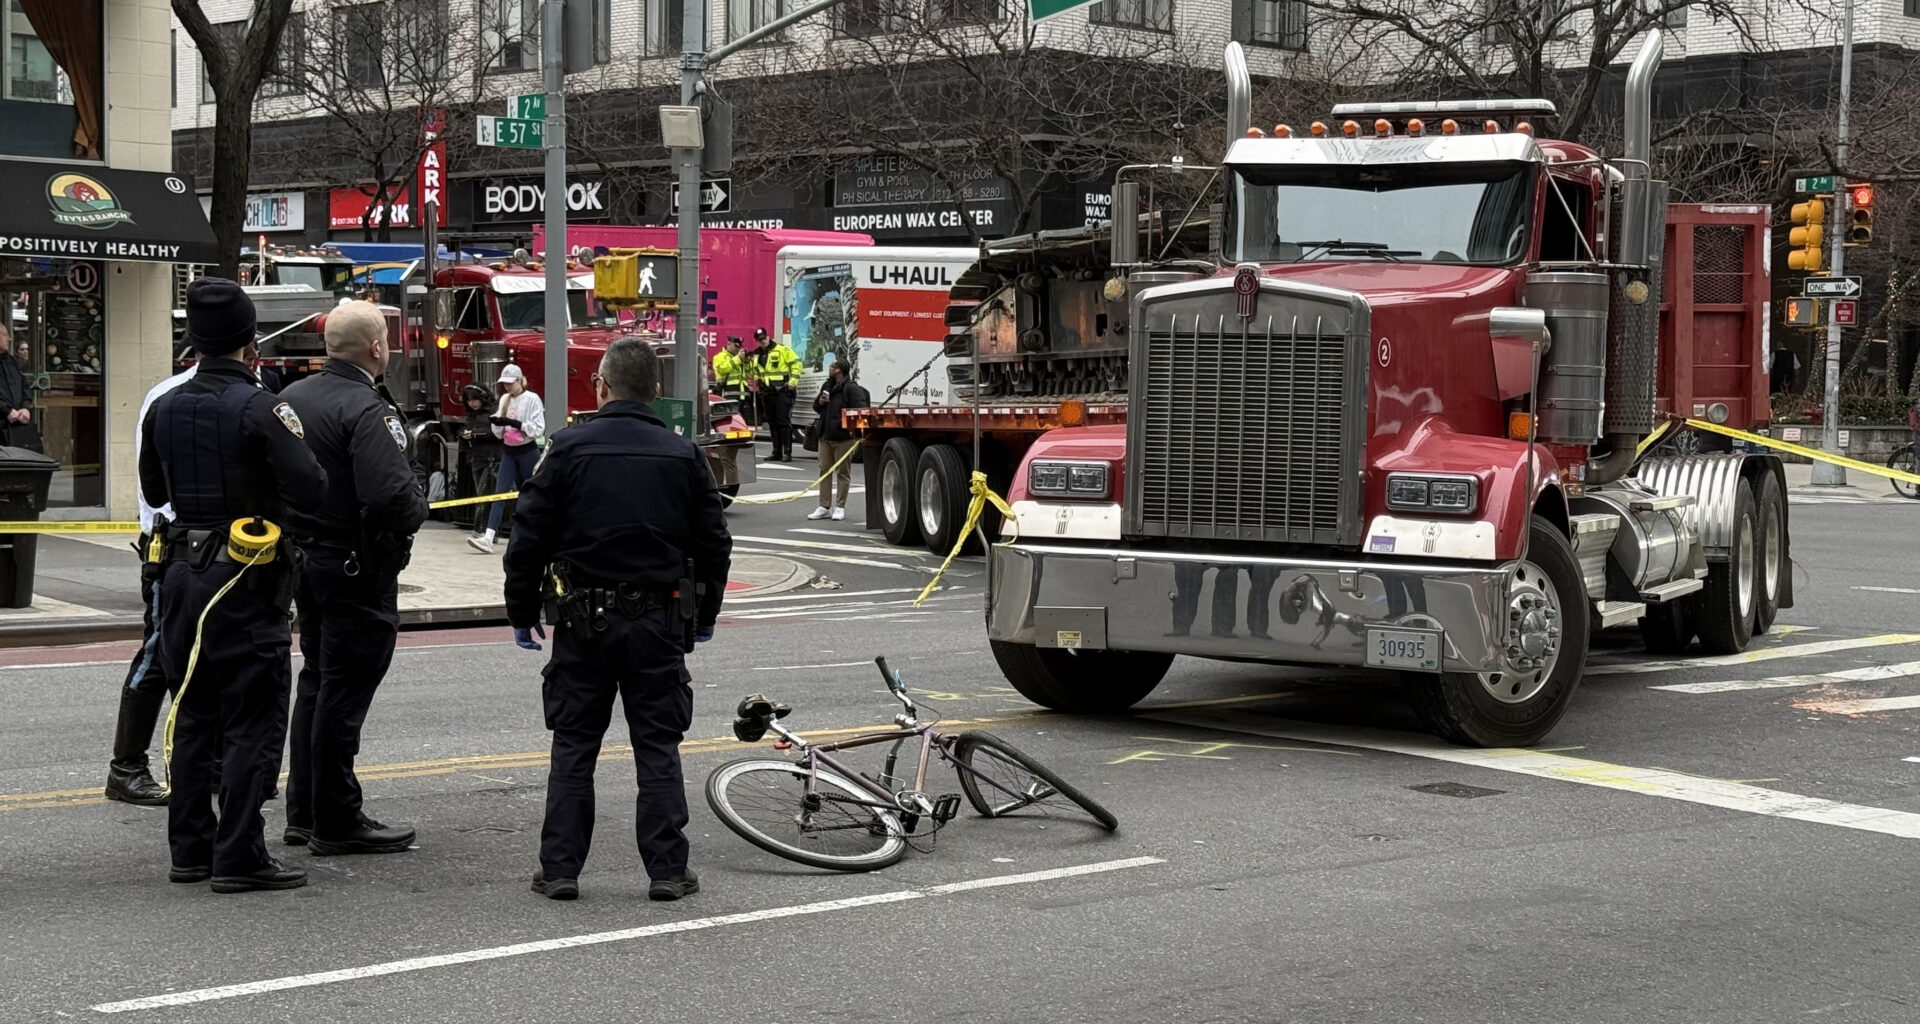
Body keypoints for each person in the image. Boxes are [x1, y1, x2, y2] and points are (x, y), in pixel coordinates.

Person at [504, 337, 731, 902]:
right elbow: (714, 543)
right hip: (659, 620)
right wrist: (705, 613)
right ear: (655, 392)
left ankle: (560, 870)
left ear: (601, 386)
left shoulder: (567, 449)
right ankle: (667, 871)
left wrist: (521, 610)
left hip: (584, 621)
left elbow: (527, 536)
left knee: (575, 745)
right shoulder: (682, 454)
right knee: (657, 746)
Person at [140, 277, 326, 893]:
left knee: (193, 710)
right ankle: (240, 852)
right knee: (253, 716)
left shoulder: (165, 406)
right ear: (251, 341)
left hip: (181, 575)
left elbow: (156, 493)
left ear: (194, 341)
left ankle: (190, 847)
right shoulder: (262, 406)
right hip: (245, 576)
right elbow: (311, 485)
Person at [279, 302, 429, 856]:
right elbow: (390, 495)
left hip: (304, 561)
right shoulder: (368, 408)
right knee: (343, 688)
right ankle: (336, 817)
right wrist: (420, 502)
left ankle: (306, 810)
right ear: (376, 348)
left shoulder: (292, 398)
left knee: (317, 682)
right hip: (355, 566)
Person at [102, 359, 198, 806]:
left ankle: (210, 765)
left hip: (215, 545)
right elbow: (152, 486)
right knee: (159, 652)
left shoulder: (252, 388)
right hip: (172, 543)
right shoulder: (168, 396)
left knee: (211, 653)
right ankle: (126, 767)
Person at [468, 364, 544, 554]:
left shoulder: (532, 399)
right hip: (509, 451)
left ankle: (535, 534)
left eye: (511, 383)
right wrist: (499, 424)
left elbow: (537, 428)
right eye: (505, 384)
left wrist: (515, 423)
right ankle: (488, 536)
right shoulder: (504, 399)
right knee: (499, 492)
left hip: (527, 451)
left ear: (520, 381)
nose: (508, 388)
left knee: (530, 493)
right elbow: (500, 431)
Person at [809, 359, 868, 522]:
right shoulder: (827, 386)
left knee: (843, 472)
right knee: (824, 470)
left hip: (844, 437)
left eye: (832, 367)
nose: (830, 368)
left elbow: (861, 409)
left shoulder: (851, 388)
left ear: (840, 370)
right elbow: (816, 407)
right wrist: (820, 402)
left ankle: (840, 507)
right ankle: (824, 506)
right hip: (825, 435)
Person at [754, 327, 802, 462]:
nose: (762, 341)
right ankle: (776, 452)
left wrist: (793, 382)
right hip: (767, 392)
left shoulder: (782, 350)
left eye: (764, 338)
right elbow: (756, 370)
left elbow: (796, 364)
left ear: (768, 337)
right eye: (759, 340)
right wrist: (757, 378)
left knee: (783, 421)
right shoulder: (757, 355)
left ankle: (787, 452)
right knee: (772, 423)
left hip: (783, 391)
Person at [0, 323, 35, 448]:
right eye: (5, 335)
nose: (9, 338)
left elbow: (25, 386)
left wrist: (25, 407)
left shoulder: (11, 361)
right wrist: (7, 410)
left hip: (16, 427)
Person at [711, 336, 750, 402]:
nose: (738, 349)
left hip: (744, 396)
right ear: (729, 344)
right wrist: (738, 359)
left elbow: (750, 374)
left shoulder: (740, 358)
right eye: (736, 346)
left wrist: (747, 362)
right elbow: (722, 369)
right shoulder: (719, 357)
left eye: (740, 346)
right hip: (728, 394)